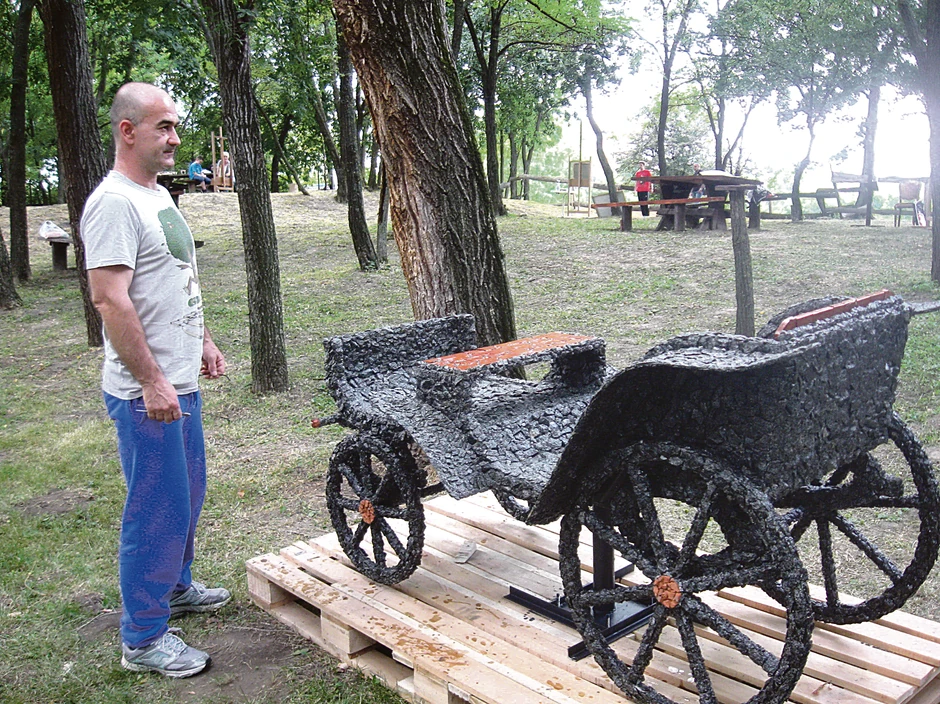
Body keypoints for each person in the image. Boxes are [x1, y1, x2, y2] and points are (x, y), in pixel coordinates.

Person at [81, 82, 230, 679]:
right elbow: (110, 300)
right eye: (164, 127)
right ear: (128, 131)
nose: (175, 137)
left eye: (175, 126)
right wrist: (151, 381)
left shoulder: (157, 195)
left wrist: (203, 340)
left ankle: (174, 587)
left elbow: (178, 277)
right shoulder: (114, 203)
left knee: (186, 494)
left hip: (178, 377)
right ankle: (142, 636)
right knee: (156, 508)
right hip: (147, 392)